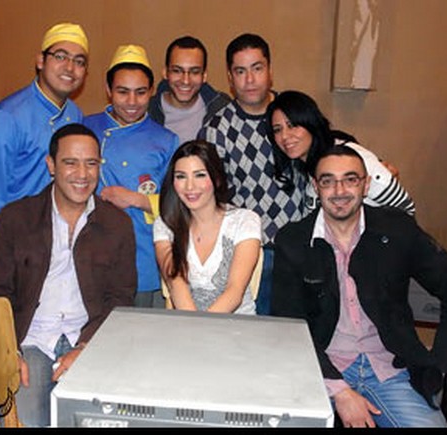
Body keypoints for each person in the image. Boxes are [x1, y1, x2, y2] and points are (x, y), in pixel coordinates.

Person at [271, 144, 447, 428]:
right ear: (315, 187)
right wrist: (340, 391)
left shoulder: (396, 229)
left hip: (390, 367)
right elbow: (287, 324)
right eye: (328, 181)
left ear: (366, 185)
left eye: (350, 179)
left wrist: (439, 363)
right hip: (320, 368)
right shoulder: (294, 240)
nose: (340, 190)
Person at [0, 123, 137, 427]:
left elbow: (121, 298)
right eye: (70, 163)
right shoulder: (16, 218)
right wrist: (7, 351)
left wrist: (86, 346)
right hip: (31, 340)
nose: (82, 174)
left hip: (88, 339)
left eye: (91, 163)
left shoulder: (117, 224)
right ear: (51, 165)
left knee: (91, 420)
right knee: (25, 422)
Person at [0, 22, 89, 263]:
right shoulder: (6, 118)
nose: (70, 67)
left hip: (60, 249)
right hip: (16, 248)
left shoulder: (74, 115)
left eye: (79, 61)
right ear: (40, 61)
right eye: (61, 56)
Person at [198, 33, 301, 316]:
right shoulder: (216, 129)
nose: (250, 80)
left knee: (301, 330)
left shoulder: (293, 115)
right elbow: (213, 199)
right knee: (257, 331)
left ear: (270, 70)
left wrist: (373, 164)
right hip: (253, 253)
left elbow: (328, 151)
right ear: (230, 77)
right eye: (241, 71)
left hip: (303, 245)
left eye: (257, 68)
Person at [84, 44, 179, 309]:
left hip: (144, 257)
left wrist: (136, 199)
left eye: (140, 92)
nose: (132, 102)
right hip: (91, 253)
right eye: (122, 92)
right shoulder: (85, 128)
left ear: (151, 91)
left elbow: (179, 203)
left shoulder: (165, 140)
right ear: (108, 89)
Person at [153, 139, 261, 314]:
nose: (190, 186)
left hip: (236, 324)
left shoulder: (245, 220)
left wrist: (202, 326)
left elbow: (234, 292)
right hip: (187, 321)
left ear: (216, 179)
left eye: (200, 175)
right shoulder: (166, 224)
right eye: (181, 176)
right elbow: (176, 284)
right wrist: (195, 326)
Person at [267, 90, 415, 215]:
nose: (285, 136)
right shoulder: (305, 168)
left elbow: (406, 209)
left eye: (292, 125)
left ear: (310, 122)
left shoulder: (353, 158)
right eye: (277, 130)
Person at [149, 36, 231, 142]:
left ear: (204, 76)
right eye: (177, 71)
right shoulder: (146, 112)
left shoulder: (223, 110)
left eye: (194, 72)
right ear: (165, 73)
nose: (185, 81)